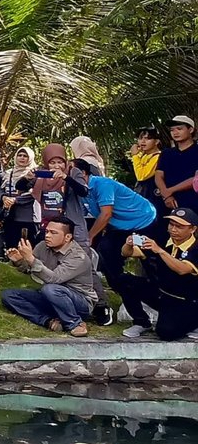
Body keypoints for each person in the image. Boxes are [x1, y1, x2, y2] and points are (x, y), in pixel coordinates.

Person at [77, 153, 159, 305]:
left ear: (82, 173)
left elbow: (106, 214)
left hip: (143, 220)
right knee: (107, 252)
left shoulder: (102, 184)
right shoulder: (78, 190)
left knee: (150, 260)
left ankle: (159, 296)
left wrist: (90, 236)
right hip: (119, 226)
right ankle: (124, 290)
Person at [0, 216, 99, 337]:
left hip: (79, 301)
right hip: (50, 295)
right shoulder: (42, 246)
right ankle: (48, 322)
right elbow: (29, 269)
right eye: (46, 231)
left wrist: (31, 258)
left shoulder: (78, 257)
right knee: (9, 295)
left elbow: (54, 279)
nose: (47, 235)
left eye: (53, 233)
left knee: (51, 289)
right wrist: (20, 260)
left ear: (68, 237)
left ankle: (74, 323)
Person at [121, 206, 198, 341]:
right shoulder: (162, 239)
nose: (173, 229)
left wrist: (160, 251)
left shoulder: (195, 248)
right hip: (161, 293)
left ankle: (193, 322)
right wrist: (128, 244)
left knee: (166, 332)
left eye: (179, 226)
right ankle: (141, 322)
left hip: (186, 300)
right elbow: (127, 253)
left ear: (192, 229)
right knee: (124, 280)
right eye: (171, 224)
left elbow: (182, 269)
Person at [0, 145, 39, 251]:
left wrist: (15, 200)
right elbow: (1, 190)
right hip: (10, 215)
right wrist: (4, 198)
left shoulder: (34, 174)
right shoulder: (9, 173)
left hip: (27, 217)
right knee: (11, 243)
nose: (22, 158)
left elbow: (34, 194)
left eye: (25, 156)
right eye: (19, 155)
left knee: (27, 244)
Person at [156, 115, 198, 211]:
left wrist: (169, 191)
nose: (175, 133)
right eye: (172, 130)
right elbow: (158, 176)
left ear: (190, 130)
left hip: (194, 200)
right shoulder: (166, 153)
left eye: (179, 129)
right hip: (171, 203)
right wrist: (166, 195)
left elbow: (196, 178)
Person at [129, 127, 163, 205]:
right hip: (145, 196)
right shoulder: (144, 156)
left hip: (154, 197)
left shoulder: (158, 157)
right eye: (140, 138)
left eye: (147, 139)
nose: (143, 141)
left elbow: (141, 176)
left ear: (156, 141)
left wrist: (135, 155)